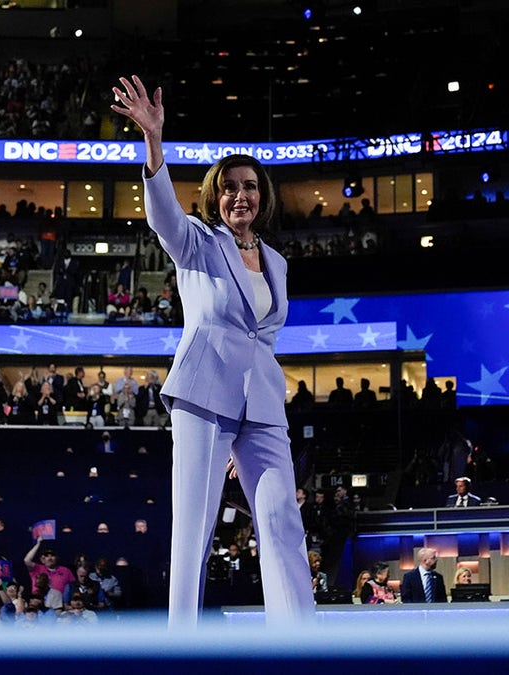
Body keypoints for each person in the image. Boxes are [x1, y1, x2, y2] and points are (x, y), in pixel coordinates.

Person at [113, 74, 313, 626]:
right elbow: (162, 215)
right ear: (215, 196)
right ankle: (183, 643)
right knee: (194, 526)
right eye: (229, 188)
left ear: (262, 194)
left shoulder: (278, 263)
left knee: (280, 521)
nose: (240, 195)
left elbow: (264, 337)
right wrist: (154, 141)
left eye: (249, 185)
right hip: (203, 397)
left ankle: (299, 644)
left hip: (264, 406)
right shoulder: (197, 242)